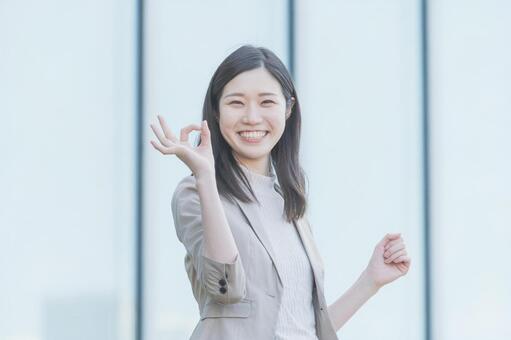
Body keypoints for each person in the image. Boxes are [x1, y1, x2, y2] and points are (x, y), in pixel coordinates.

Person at [149, 45, 411, 340]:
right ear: (216, 111)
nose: (251, 117)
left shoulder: (289, 203)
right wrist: (205, 176)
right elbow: (224, 286)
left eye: (266, 102)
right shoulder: (195, 192)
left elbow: (305, 329)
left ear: (288, 110)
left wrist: (370, 281)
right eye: (236, 102)